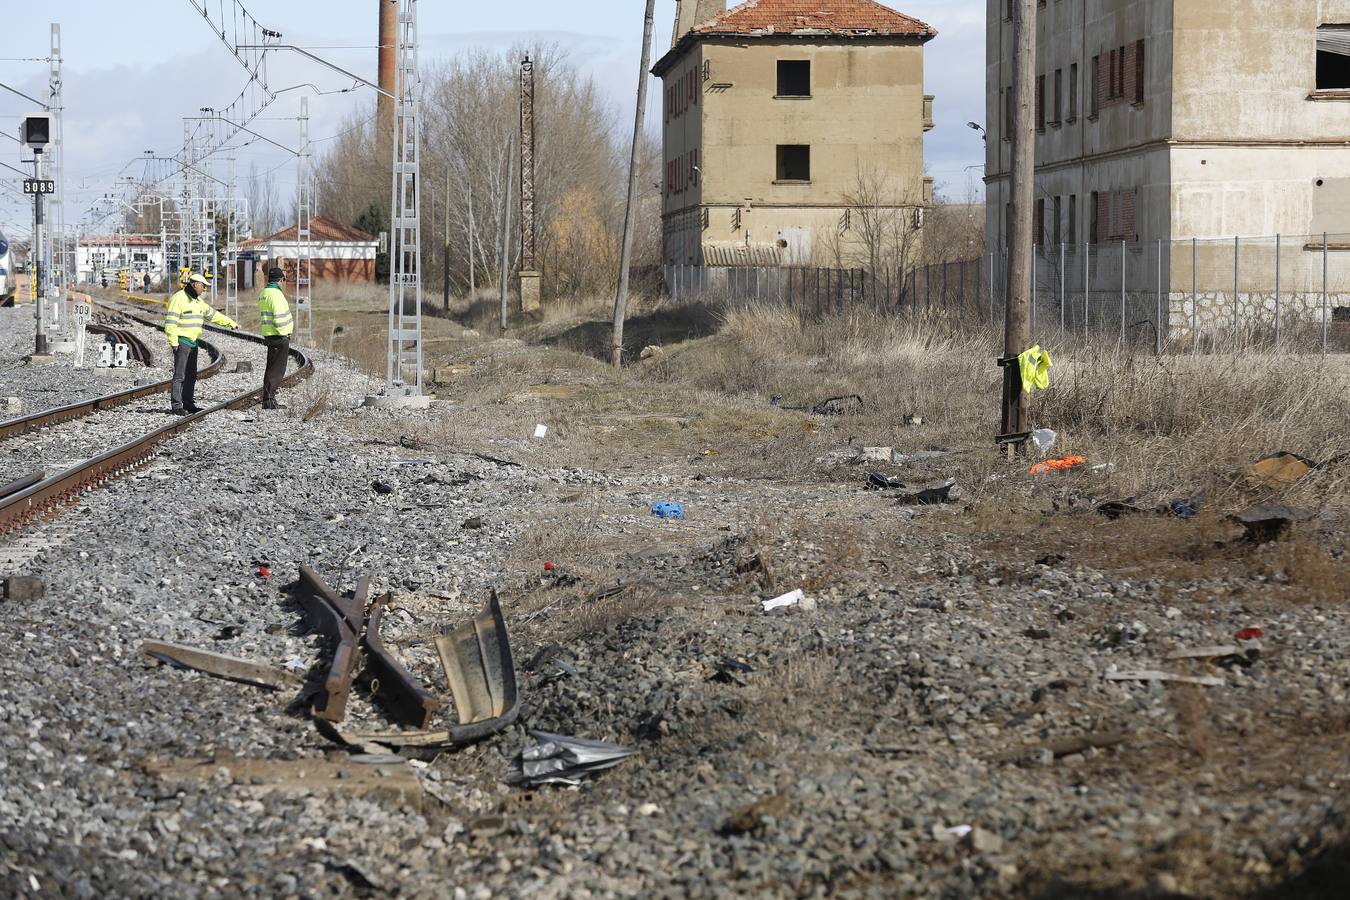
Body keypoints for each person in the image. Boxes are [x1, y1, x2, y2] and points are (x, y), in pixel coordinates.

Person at [165, 272, 238, 415]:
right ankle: (177, 406)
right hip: (181, 342)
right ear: (195, 284)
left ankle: (188, 403)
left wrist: (230, 323)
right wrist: (174, 342)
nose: (204, 289)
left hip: (193, 343)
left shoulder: (198, 302)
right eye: (203, 286)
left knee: (191, 375)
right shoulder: (178, 299)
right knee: (180, 375)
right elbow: (170, 323)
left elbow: (213, 315)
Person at [257, 267, 294, 410]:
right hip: (279, 335)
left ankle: (267, 398)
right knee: (277, 370)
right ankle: (269, 400)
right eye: (283, 280)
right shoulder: (277, 295)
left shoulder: (264, 293)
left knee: (271, 367)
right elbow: (279, 318)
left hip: (269, 334)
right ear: (280, 280)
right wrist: (286, 332)